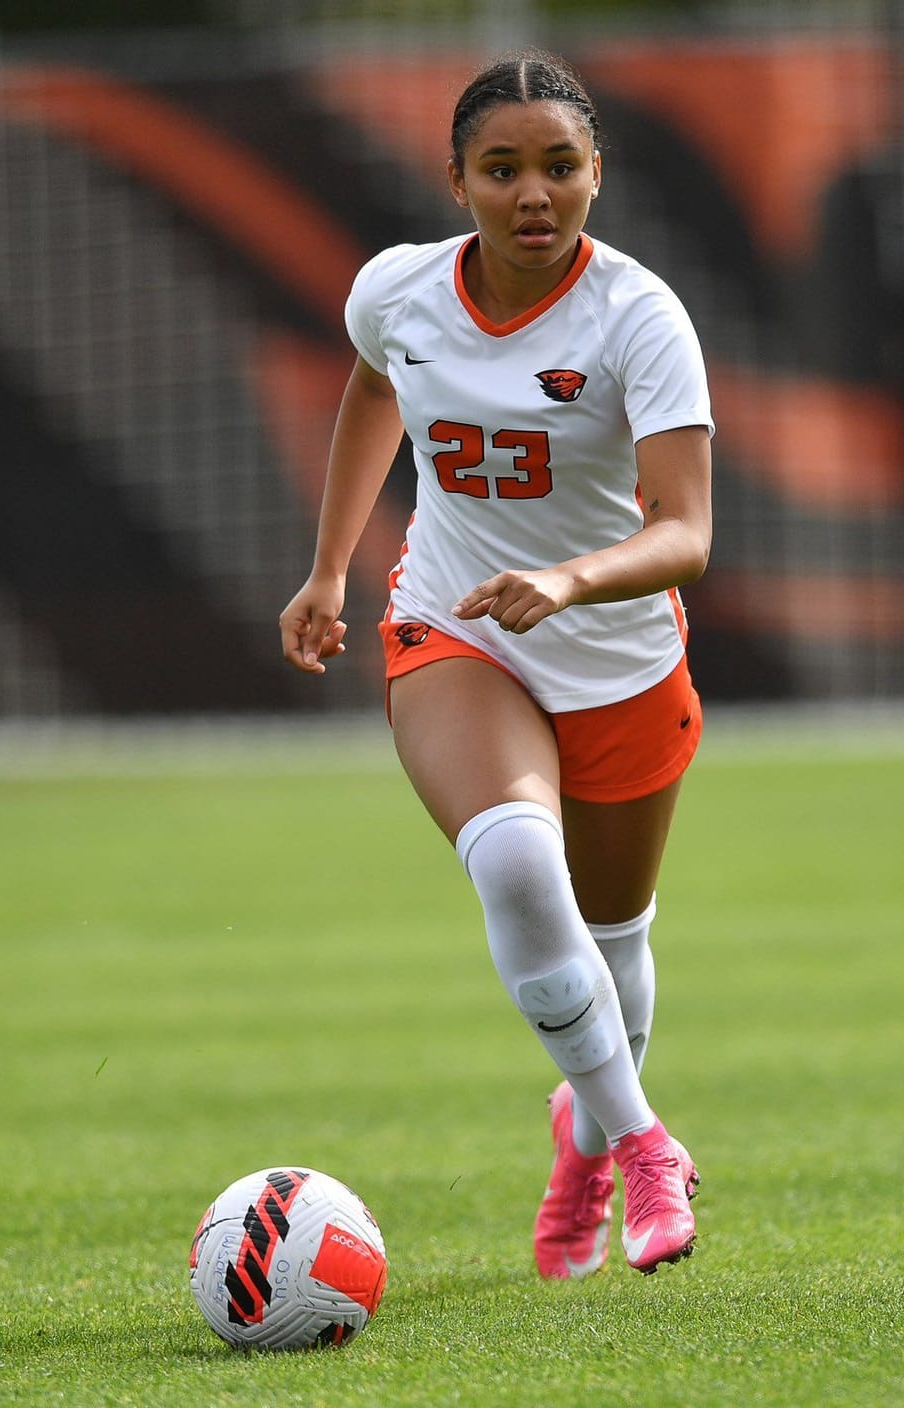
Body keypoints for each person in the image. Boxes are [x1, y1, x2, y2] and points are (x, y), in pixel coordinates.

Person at [278, 50, 712, 1277]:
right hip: (455, 625)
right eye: (503, 168)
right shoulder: (399, 292)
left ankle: (581, 1137)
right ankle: (642, 1144)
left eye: (560, 166)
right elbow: (373, 388)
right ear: (456, 179)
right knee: (520, 864)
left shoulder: (640, 317)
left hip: (618, 653)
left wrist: (572, 580)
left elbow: (688, 530)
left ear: (596, 175)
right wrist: (330, 569)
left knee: (616, 944)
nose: (535, 193)